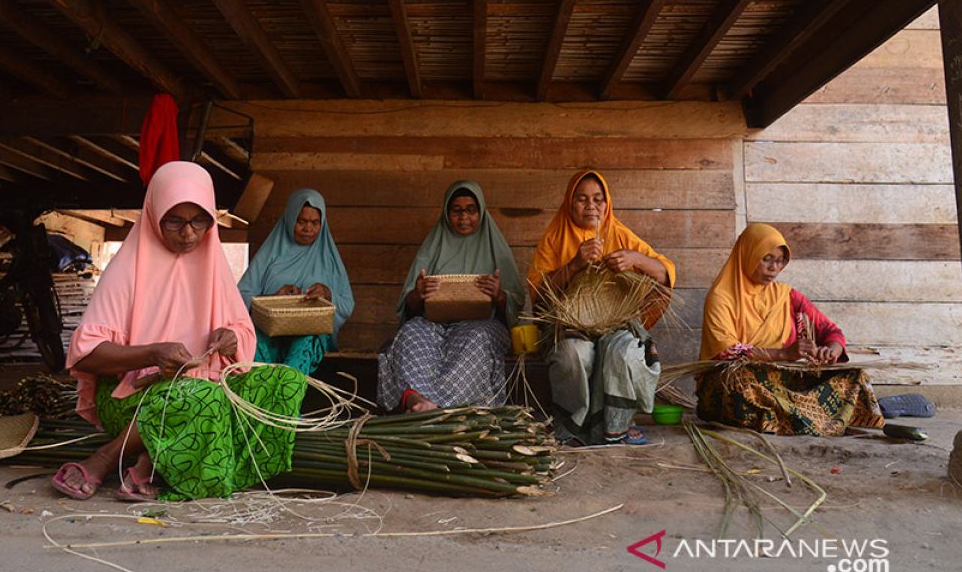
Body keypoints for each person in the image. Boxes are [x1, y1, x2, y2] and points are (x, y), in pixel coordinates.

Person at [53, 161, 307, 502]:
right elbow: (87, 353)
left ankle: (156, 458)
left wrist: (230, 338)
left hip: (207, 391)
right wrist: (151, 353)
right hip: (133, 396)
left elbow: (242, 334)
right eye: (175, 220)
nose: (188, 233)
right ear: (155, 213)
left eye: (199, 220)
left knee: (284, 382)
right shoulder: (128, 269)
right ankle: (106, 458)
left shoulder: (213, 266)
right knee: (201, 396)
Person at [529, 170, 675, 445]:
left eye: (598, 199)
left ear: (607, 203)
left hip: (615, 324)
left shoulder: (619, 234)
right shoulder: (554, 237)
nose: (591, 206)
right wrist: (574, 265)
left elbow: (664, 274)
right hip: (570, 327)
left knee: (621, 352)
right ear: (570, 204)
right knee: (574, 355)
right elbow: (538, 296)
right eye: (582, 199)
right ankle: (575, 425)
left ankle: (619, 423)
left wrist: (635, 259)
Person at [696, 222, 884, 436]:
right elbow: (726, 352)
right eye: (766, 259)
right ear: (747, 254)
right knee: (741, 384)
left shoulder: (787, 296)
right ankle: (815, 417)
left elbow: (831, 331)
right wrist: (785, 354)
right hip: (736, 379)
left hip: (784, 380)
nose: (774, 268)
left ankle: (792, 417)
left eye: (780, 261)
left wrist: (831, 351)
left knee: (854, 376)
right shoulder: (721, 298)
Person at [377, 180, 526, 412]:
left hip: (482, 325)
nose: (463, 217)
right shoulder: (432, 247)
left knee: (476, 339)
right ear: (447, 213)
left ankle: (441, 409)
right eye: (456, 210)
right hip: (434, 325)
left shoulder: (495, 248)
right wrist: (418, 293)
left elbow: (515, 303)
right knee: (411, 332)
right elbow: (409, 304)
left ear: (481, 212)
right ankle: (416, 399)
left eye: (471, 210)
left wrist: (498, 296)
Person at [238, 189, 354, 375]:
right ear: (290, 219)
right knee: (256, 342)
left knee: (304, 341)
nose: (308, 229)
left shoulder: (329, 258)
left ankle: (286, 396)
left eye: (315, 223)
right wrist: (272, 300)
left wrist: (327, 293)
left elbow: (347, 305)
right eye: (301, 221)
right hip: (271, 331)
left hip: (311, 333)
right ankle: (258, 398)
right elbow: (240, 296)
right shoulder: (270, 254)